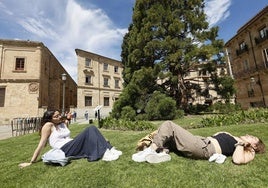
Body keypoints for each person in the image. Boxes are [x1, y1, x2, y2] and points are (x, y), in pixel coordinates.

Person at [19, 110, 122, 168]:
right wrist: (31, 161)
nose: (59, 117)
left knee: (93, 130)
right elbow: (41, 144)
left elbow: (67, 136)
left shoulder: (63, 124)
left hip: (71, 144)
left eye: (59, 115)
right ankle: (105, 154)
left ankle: (109, 148)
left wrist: (66, 121)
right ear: (50, 118)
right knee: (90, 129)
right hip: (64, 149)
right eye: (56, 116)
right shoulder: (48, 125)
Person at [132, 121, 265, 164]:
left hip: (205, 148)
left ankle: (150, 150)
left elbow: (237, 160)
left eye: (253, 138)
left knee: (169, 125)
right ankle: (161, 153)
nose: (249, 135)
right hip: (202, 142)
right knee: (168, 136)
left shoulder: (249, 150)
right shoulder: (234, 137)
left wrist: (241, 144)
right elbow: (215, 136)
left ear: (255, 145)